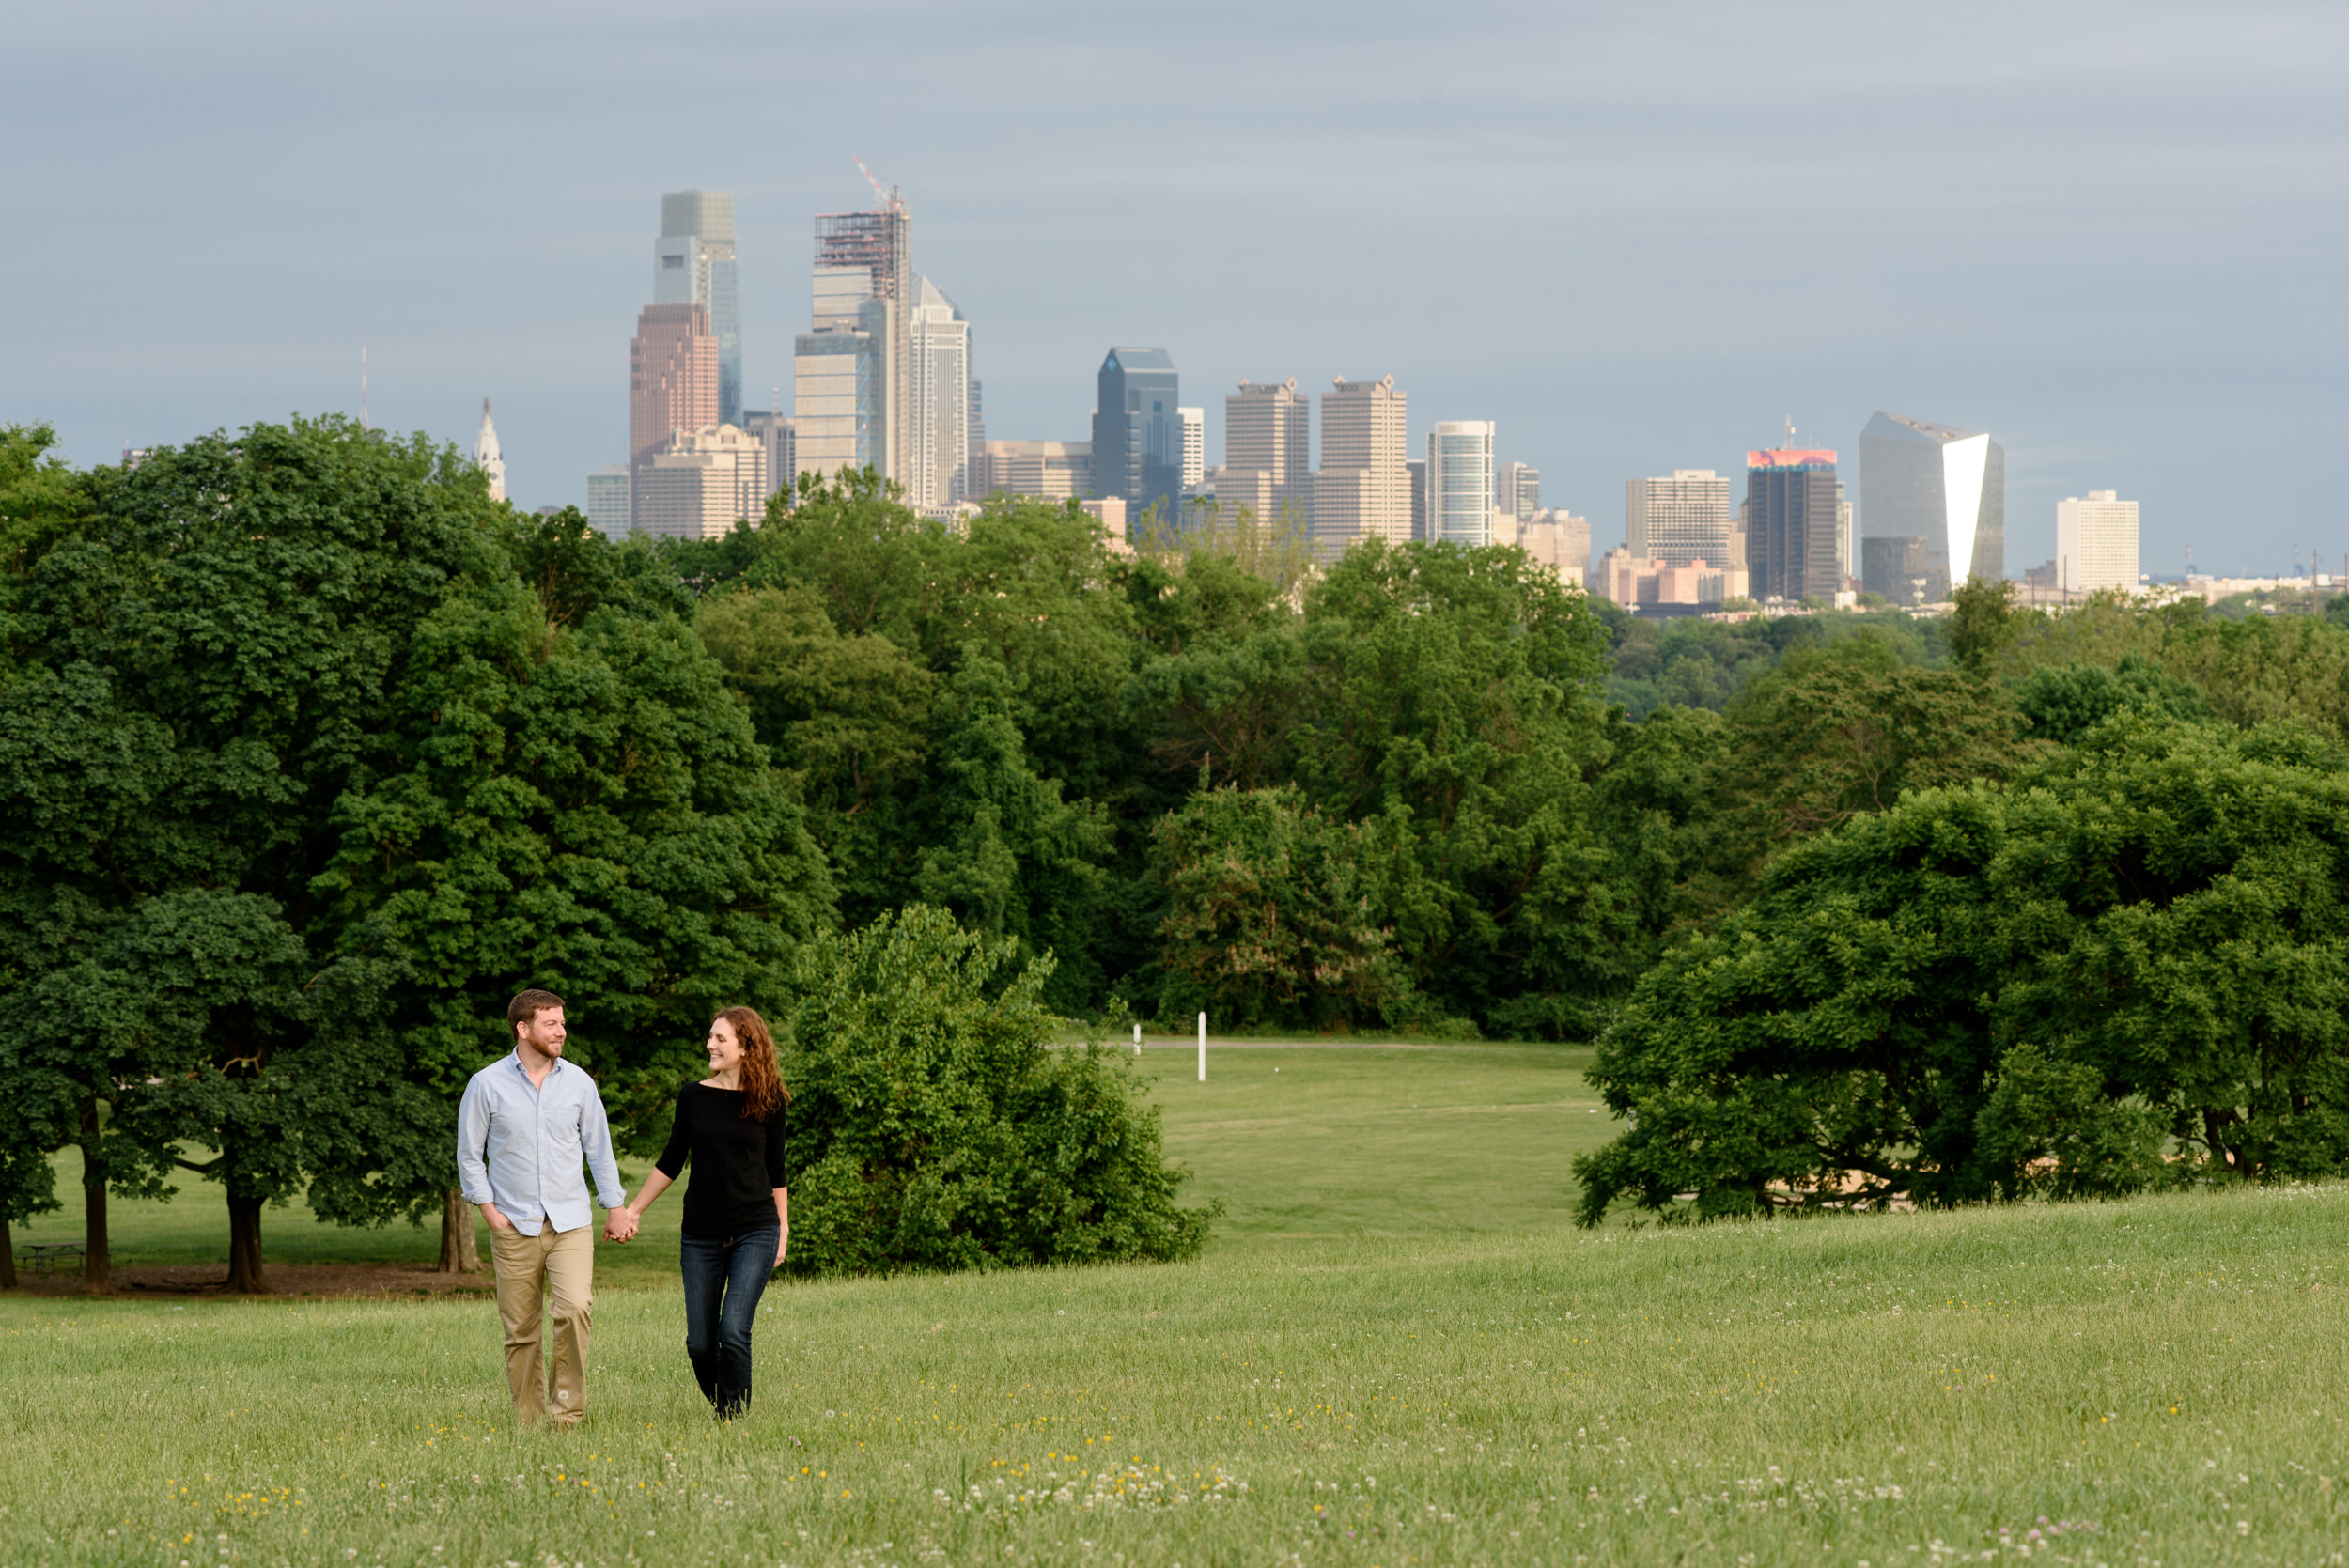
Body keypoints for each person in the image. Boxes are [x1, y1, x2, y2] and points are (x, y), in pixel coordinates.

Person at [456, 989, 632, 1428]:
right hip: (514, 1224)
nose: (561, 1031)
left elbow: (600, 1150)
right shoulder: (486, 1084)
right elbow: (469, 1156)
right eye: (551, 1024)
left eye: (562, 1023)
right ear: (523, 1028)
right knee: (521, 1331)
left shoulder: (579, 1083)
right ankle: (530, 1422)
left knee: (574, 1309)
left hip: (570, 1223)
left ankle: (567, 1415)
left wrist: (615, 1207)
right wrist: (490, 1212)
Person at [612, 1006, 789, 1420]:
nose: (710, 1044)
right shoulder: (693, 1095)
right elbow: (672, 1160)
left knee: (734, 1330)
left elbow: (776, 1170)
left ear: (746, 1047)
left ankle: (733, 1419)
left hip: (755, 1229)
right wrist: (632, 1210)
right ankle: (726, 1406)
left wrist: (783, 1230)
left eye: (720, 1038)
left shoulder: (770, 1099)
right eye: (710, 1036)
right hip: (701, 1235)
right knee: (701, 1343)